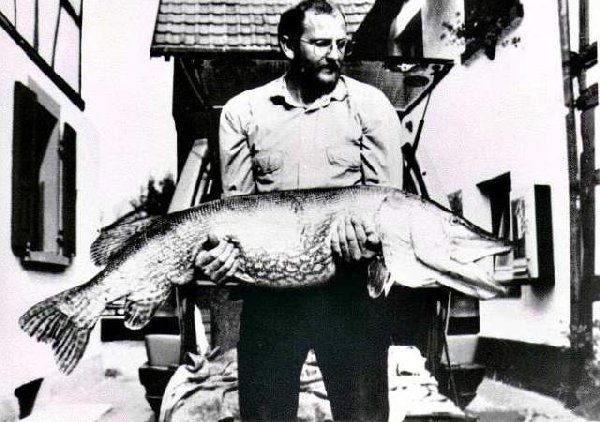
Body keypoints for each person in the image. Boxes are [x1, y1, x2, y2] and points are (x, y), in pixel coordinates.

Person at [195, 1, 404, 420]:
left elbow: (387, 209)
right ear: (288, 48)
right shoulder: (243, 112)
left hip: (350, 299)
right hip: (272, 302)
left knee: (364, 416)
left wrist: (366, 241)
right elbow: (237, 215)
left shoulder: (373, 107)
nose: (335, 54)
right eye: (321, 43)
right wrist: (218, 254)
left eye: (341, 43)